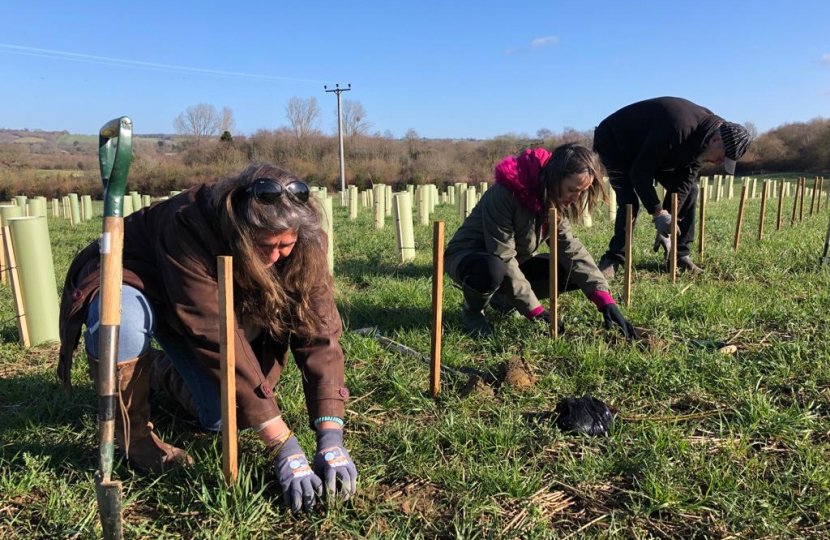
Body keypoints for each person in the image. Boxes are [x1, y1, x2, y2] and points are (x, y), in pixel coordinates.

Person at [57, 163, 357, 513]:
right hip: (138, 280)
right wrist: (282, 444)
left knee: (221, 417)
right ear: (241, 230)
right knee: (122, 314)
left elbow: (319, 331)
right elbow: (214, 332)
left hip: (190, 305)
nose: (276, 256)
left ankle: (153, 370)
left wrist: (330, 436)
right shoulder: (187, 224)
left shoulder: (306, 241)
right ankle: (134, 439)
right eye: (265, 246)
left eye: (285, 245)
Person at [444, 143, 637, 338]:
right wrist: (536, 312)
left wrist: (603, 299)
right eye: (572, 189)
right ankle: (472, 311)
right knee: (493, 268)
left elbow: (570, 249)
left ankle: (504, 301)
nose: (576, 198)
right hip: (471, 258)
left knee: (567, 270)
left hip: (514, 262)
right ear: (555, 177)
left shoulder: (553, 197)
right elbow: (503, 255)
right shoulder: (504, 194)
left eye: (582, 191)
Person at [593, 97, 752, 278]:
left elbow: (683, 183)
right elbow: (639, 173)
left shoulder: (704, 140)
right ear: (715, 140)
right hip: (615, 142)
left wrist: (669, 222)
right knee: (629, 202)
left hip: (654, 149)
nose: (718, 163)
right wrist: (658, 213)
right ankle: (613, 259)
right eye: (722, 157)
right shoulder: (679, 127)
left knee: (691, 191)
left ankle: (680, 255)